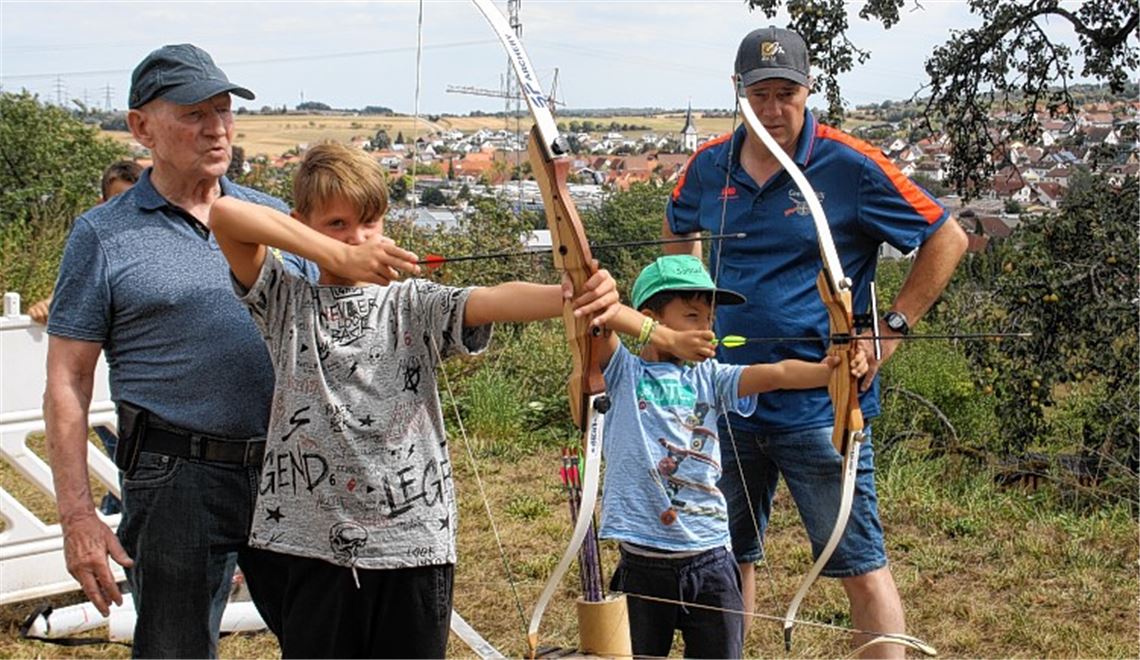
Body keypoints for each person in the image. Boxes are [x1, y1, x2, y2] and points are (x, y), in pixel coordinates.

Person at [208, 141, 622, 658]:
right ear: (301, 224)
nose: (358, 238)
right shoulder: (286, 301)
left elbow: (490, 299)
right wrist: (335, 255)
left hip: (413, 543)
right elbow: (225, 214)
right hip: (315, 544)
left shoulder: (412, 303)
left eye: (370, 223)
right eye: (337, 224)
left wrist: (573, 293)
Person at [662, 26, 968, 657]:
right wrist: (685, 320)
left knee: (858, 559)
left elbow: (947, 237)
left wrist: (889, 335)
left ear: (808, 92)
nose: (773, 109)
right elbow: (676, 232)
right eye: (759, 94)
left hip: (821, 404)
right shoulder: (708, 164)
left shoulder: (847, 164)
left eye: (787, 94)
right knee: (724, 556)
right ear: (737, 94)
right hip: (726, 395)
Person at [43, 43, 316, 657]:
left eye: (223, 109)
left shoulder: (273, 219)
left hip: (290, 468)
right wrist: (78, 518)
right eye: (194, 112)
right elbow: (67, 379)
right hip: (174, 479)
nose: (216, 126)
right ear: (142, 127)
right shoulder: (103, 235)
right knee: (174, 650)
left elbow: (347, 330)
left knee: (322, 639)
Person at [592, 254, 869, 659]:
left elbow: (776, 374)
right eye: (691, 315)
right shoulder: (623, 371)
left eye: (710, 319)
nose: (706, 329)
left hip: (711, 558)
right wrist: (662, 337)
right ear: (651, 318)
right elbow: (596, 310)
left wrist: (833, 369)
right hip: (643, 560)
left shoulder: (711, 377)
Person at [32, 160, 143, 516]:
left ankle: (115, 513)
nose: (124, 210)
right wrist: (52, 303)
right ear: (101, 202)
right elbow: (82, 292)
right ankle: (115, 515)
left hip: (138, 396)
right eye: (116, 200)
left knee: (123, 463)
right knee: (120, 458)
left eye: (132, 199)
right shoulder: (95, 239)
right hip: (105, 392)